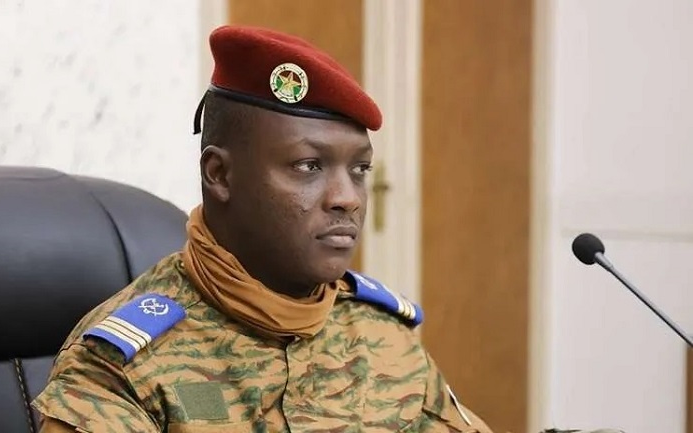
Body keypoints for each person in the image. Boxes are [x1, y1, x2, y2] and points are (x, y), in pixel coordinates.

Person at [32, 25, 494, 433]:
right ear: (219, 175)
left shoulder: (383, 335)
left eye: (359, 169)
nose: (348, 198)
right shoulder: (121, 366)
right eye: (309, 165)